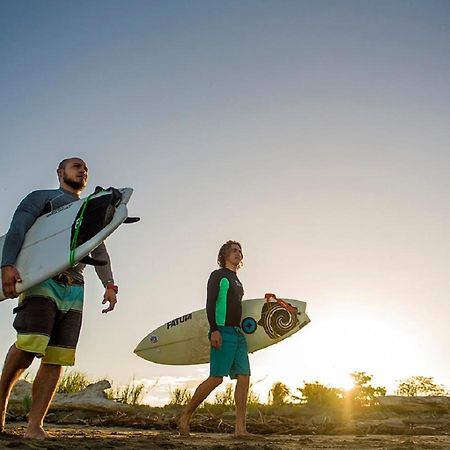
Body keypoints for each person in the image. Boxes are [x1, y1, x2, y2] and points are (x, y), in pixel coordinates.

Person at [0, 157, 118, 440]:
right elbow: (19, 228)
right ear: (60, 172)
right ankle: (0, 408)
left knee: (57, 357)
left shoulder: (88, 208)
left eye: (86, 167)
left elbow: (97, 248)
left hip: (75, 285)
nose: (83, 169)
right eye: (76, 165)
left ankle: (35, 425)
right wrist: (6, 264)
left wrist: (110, 284)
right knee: (28, 347)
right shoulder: (43, 198)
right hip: (42, 279)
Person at [179, 240, 254, 437]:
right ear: (224, 254)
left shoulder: (237, 281)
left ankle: (240, 429)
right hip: (222, 330)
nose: (238, 253)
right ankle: (185, 416)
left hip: (238, 333)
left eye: (240, 251)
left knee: (244, 377)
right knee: (216, 378)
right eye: (234, 250)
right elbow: (210, 303)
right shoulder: (218, 275)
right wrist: (214, 330)